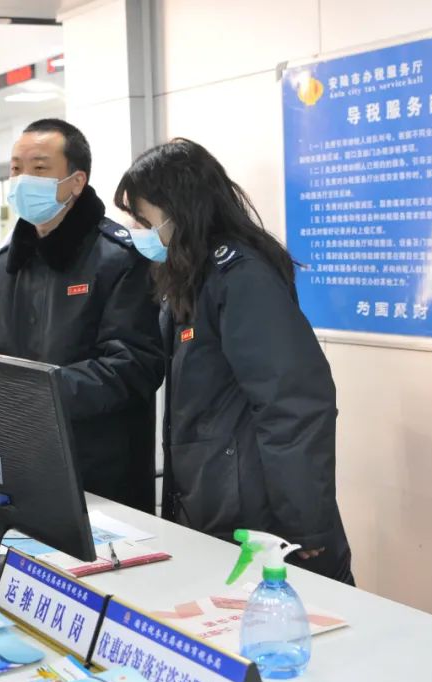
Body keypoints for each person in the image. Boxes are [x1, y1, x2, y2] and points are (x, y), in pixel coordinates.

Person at [113, 138, 354, 584]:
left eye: (142, 219)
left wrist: (305, 521)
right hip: (221, 504)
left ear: (179, 211)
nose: (136, 230)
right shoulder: (191, 277)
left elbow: (294, 403)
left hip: (266, 519)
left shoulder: (240, 278)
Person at [0, 119, 164, 512]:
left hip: (99, 468)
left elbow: (133, 365)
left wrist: (37, 392)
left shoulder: (119, 257)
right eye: (15, 169)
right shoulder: (10, 261)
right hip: (21, 456)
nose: (22, 180)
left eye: (39, 168)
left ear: (76, 182)